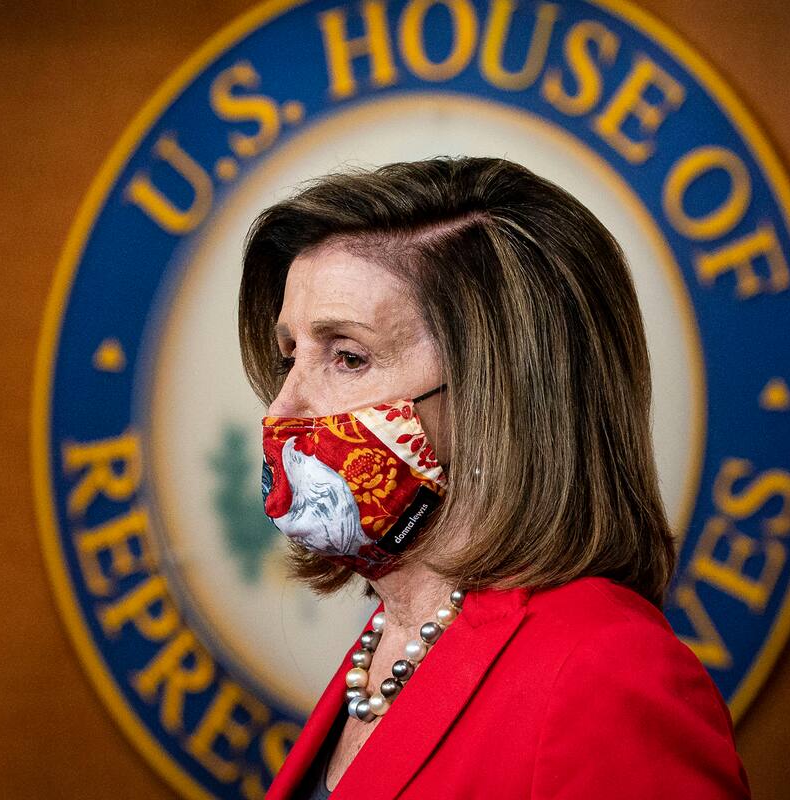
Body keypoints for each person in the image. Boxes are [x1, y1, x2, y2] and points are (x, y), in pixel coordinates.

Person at [238, 156, 751, 799]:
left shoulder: (607, 671)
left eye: (347, 356)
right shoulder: (390, 639)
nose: (282, 409)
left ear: (498, 394)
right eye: (292, 355)